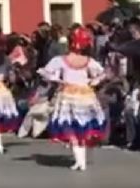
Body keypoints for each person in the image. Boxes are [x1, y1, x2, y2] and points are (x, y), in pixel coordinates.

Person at [39, 27, 106, 172]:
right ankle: (80, 161)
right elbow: (102, 73)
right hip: (85, 96)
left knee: (71, 128)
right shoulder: (88, 61)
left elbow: (45, 72)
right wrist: (93, 81)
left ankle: (79, 161)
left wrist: (58, 80)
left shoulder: (61, 60)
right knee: (81, 127)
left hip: (68, 95)